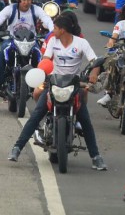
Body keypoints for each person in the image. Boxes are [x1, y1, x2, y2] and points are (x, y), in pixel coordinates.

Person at [8, 13, 107, 171]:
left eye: (55, 28)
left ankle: (96, 157)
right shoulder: (53, 41)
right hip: (53, 83)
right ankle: (17, 148)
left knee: (86, 121)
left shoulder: (81, 43)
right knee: (37, 114)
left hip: (74, 85)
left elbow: (95, 61)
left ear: (63, 29)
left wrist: (94, 73)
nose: (52, 30)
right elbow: (46, 60)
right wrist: (42, 72)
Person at [0, 0, 54, 93]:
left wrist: (52, 31)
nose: (26, 2)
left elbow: (47, 19)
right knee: (3, 51)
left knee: (41, 57)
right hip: (12, 41)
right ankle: (1, 81)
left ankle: (43, 85)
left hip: (31, 41)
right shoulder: (10, 9)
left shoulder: (37, 9)